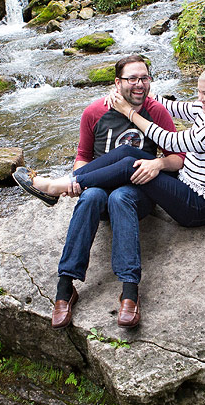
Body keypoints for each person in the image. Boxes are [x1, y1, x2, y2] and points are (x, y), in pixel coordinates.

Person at [17, 63, 205, 328]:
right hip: (177, 186)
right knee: (115, 170)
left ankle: (56, 188)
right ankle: (65, 280)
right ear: (118, 83)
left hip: (199, 203)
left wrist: (133, 118)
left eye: (204, 94)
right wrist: (131, 97)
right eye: (132, 79)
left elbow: (173, 144)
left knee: (127, 177)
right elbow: (174, 106)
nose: (199, 98)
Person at [13, 55, 184, 330]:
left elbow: (178, 157)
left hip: (138, 193)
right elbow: (82, 156)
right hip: (98, 188)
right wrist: (77, 181)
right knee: (92, 196)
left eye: (144, 78)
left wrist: (158, 163)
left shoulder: (157, 111)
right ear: (118, 83)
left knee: (121, 197)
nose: (139, 85)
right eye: (132, 79)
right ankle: (65, 286)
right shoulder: (95, 111)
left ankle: (130, 291)